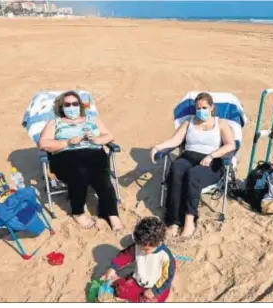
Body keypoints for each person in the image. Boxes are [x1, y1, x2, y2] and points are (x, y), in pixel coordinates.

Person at [150, 92, 236, 238]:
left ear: (212, 107)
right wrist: (157, 147)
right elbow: (175, 140)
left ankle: (189, 221)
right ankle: (174, 221)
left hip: (211, 161)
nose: (201, 111)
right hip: (188, 157)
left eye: (204, 107)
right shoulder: (188, 122)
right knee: (176, 170)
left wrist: (212, 155)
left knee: (193, 175)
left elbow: (231, 145)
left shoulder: (220, 124)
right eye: (198, 108)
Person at [38, 90, 123, 231]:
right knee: (79, 172)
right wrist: (68, 142)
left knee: (102, 176)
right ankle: (78, 212)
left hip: (93, 152)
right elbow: (43, 143)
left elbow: (109, 136)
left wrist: (95, 140)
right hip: (65, 156)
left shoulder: (93, 119)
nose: (71, 107)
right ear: (62, 107)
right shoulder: (54, 123)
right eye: (67, 104)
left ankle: (112, 214)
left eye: (75, 103)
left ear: (80, 105)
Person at [101, 217, 176, 303]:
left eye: (146, 249)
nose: (142, 251)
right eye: (140, 248)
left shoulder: (165, 257)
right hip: (138, 281)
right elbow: (126, 255)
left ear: (159, 243)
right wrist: (113, 267)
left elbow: (167, 278)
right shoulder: (139, 245)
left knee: (148, 300)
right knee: (120, 290)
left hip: (156, 286)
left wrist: (155, 290)